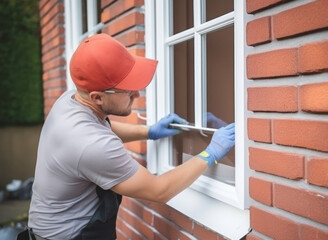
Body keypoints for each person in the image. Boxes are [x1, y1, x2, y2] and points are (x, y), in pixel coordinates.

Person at [19, 33, 235, 240]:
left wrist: (150, 131)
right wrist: (211, 153)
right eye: (128, 90)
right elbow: (159, 190)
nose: (137, 94)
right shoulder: (90, 145)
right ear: (98, 98)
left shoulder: (71, 100)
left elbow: (101, 130)